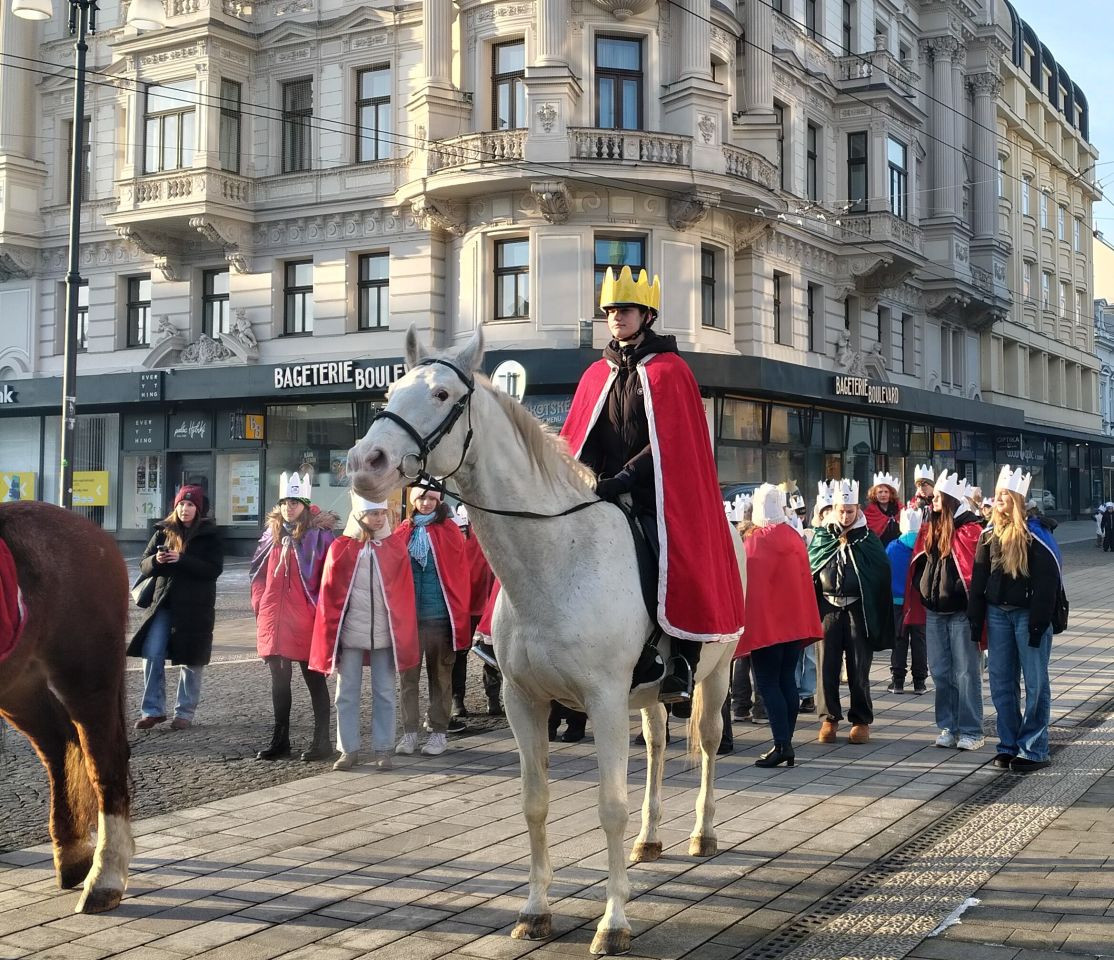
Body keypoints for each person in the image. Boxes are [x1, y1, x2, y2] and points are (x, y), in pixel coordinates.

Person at [560, 266, 745, 708]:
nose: (615, 318)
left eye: (623, 310)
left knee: (674, 554)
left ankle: (682, 655)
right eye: (609, 311)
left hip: (656, 493)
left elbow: (671, 442)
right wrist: (582, 479)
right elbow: (582, 436)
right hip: (601, 490)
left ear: (646, 314)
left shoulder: (670, 371)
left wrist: (624, 479)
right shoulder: (595, 374)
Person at [310, 493, 420, 772]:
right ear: (360, 515)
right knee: (346, 693)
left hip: (385, 633)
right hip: (350, 634)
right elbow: (330, 594)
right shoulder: (341, 547)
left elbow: (404, 594)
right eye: (374, 513)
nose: (380, 518)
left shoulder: (395, 547)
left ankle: (383, 748)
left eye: (382, 513)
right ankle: (348, 749)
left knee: (384, 692)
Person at [968, 466, 1062, 772]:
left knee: (1035, 683)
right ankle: (1008, 744)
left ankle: (1035, 748)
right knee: (1001, 683)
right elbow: (979, 580)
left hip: (1028, 616)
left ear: (1018, 501)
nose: (998, 502)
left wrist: (1038, 623)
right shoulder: (987, 534)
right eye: (997, 496)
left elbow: (1049, 584)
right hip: (998, 615)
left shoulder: (1037, 535)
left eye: (1004, 497)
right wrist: (975, 619)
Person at [250, 472, 338, 762]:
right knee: (279, 682)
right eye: (286, 502)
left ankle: (322, 741)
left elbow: (330, 577)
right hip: (275, 620)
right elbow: (259, 575)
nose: (290, 507)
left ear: (305, 504)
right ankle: (280, 740)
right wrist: (261, 606)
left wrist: (322, 616)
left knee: (314, 680)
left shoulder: (319, 537)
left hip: (308, 620)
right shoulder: (271, 536)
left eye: (295, 502)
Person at [739, 485, 823, 768]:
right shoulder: (794, 537)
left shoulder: (753, 541)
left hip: (767, 625)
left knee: (767, 683)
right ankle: (786, 742)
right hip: (794, 623)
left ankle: (781, 744)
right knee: (787, 680)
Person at [128, 485, 224, 730]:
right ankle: (153, 710)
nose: (185, 509)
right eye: (181, 504)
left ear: (199, 509)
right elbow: (143, 565)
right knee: (152, 652)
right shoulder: (163, 531)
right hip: (163, 603)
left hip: (195, 606)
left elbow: (213, 570)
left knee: (191, 659)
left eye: (190, 505)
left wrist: (183, 560)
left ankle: (185, 713)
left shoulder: (209, 535)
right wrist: (156, 560)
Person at [808, 479, 894, 744]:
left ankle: (860, 719)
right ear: (834, 508)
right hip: (828, 609)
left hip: (858, 609)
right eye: (842, 510)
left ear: (857, 509)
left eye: (850, 511)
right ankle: (829, 718)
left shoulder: (868, 539)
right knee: (827, 667)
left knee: (859, 667)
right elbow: (809, 569)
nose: (846, 516)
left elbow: (880, 574)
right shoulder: (822, 536)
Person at [905, 471, 985, 751]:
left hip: (961, 613)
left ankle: (972, 730)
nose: (933, 500)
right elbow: (920, 561)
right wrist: (923, 588)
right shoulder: (932, 526)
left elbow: (975, 573)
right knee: (939, 671)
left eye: (938, 497)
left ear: (949, 500)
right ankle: (948, 727)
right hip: (934, 611)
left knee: (965, 672)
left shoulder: (971, 529)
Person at [396, 484, 471, 758]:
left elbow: (459, 576)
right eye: (421, 498)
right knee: (408, 678)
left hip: (440, 617)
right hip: (411, 619)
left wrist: (459, 617)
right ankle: (410, 732)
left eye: (430, 498)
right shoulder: (403, 531)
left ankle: (439, 731)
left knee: (441, 677)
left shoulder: (449, 530)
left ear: (438, 500)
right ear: (413, 500)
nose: (426, 503)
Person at [451, 507, 501, 720]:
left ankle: (493, 697)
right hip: (466, 601)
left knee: (494, 654)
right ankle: (457, 700)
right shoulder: (457, 526)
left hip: (491, 599)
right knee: (458, 653)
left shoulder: (494, 525)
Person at [885, 507, 927, 695]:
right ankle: (920, 682)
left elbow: (885, 572)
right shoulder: (925, 547)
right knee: (919, 641)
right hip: (918, 601)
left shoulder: (893, 547)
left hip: (897, 601)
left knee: (899, 639)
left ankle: (898, 681)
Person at [864, 472, 901, 546]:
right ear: (874, 494)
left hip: (897, 547)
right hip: (878, 547)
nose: (883, 495)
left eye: (886, 492)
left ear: (890, 494)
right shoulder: (869, 512)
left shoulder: (900, 509)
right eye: (880, 492)